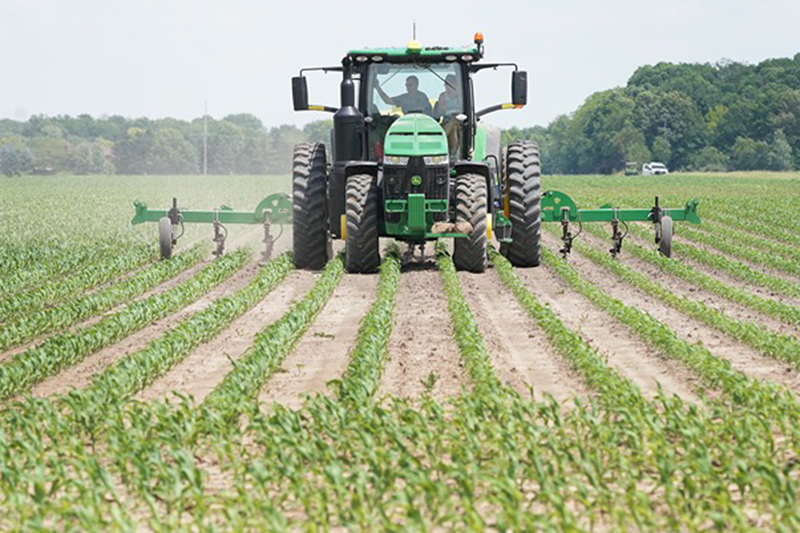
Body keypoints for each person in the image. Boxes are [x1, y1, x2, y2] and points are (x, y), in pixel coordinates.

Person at [434, 74, 462, 157]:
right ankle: (453, 152)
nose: (446, 87)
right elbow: (439, 112)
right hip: (447, 120)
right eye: (445, 85)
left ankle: (441, 139)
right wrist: (442, 109)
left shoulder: (461, 96)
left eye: (448, 84)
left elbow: (464, 108)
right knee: (453, 125)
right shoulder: (443, 96)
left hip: (461, 120)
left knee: (456, 123)